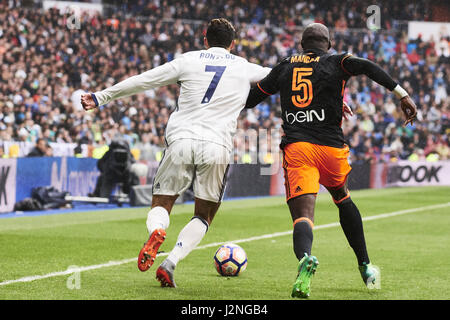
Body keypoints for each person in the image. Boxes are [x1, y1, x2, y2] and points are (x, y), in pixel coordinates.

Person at [81, 18, 271, 287]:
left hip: (181, 139)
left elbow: (145, 80)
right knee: (203, 215)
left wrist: (102, 96)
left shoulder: (188, 60)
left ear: (205, 39)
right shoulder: (246, 67)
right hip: (217, 146)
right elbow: (282, 77)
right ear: (233, 44)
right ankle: (170, 262)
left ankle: (157, 231)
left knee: (161, 203)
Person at [245, 23, 417, 298]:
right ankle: (366, 266)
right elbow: (368, 66)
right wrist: (402, 94)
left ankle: (305, 260)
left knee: (303, 215)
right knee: (342, 197)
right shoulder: (337, 62)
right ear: (329, 44)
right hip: (332, 150)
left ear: (302, 44)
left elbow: (253, 98)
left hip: (299, 148)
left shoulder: (285, 66)